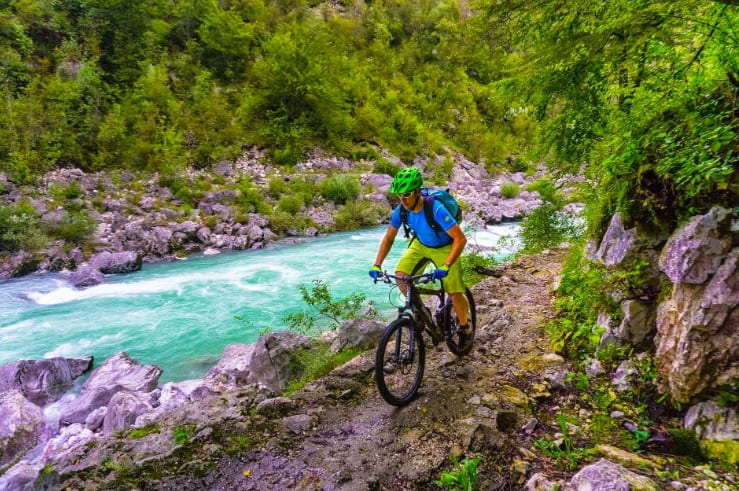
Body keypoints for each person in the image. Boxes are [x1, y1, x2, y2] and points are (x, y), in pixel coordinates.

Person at [369, 167, 472, 344]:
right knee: (401, 277)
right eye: (399, 195)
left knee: (454, 292)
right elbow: (388, 238)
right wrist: (377, 264)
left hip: (445, 246)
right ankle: (421, 312)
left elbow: (460, 239)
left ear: (417, 191)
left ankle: (465, 326)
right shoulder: (401, 211)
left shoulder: (436, 209)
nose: (403, 199)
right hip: (421, 244)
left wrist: (446, 265)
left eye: (407, 194)